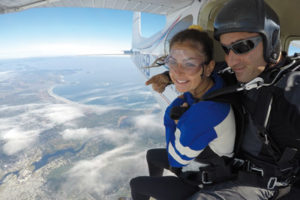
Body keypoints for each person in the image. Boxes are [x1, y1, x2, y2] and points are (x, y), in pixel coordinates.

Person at [146, 0, 300, 199]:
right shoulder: (237, 72)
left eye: (243, 46)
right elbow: (206, 70)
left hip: (266, 184)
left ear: (272, 40)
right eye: (227, 49)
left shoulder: (293, 92)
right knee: (153, 156)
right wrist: (168, 77)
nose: (231, 60)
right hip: (231, 165)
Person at [128, 27, 236, 200]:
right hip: (197, 160)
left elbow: (176, 160)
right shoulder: (213, 84)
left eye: (189, 63)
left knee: (137, 184)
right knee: (152, 155)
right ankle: (157, 192)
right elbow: (182, 88)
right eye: (173, 62)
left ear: (208, 68)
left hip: (206, 179)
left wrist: (174, 120)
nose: (177, 72)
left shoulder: (206, 112)